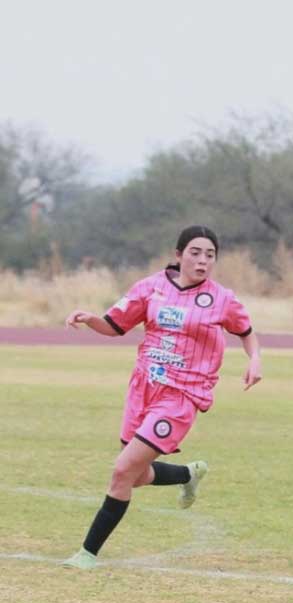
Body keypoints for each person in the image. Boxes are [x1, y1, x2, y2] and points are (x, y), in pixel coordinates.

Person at [60, 225, 261, 568]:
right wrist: (92, 319)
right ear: (179, 254)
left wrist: (255, 358)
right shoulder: (150, 287)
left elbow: (246, 332)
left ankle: (87, 553)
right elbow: (115, 324)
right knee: (135, 475)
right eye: (195, 253)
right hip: (143, 389)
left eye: (210, 255)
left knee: (122, 470)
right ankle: (187, 474)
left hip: (182, 395)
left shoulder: (222, 299)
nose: (202, 261)